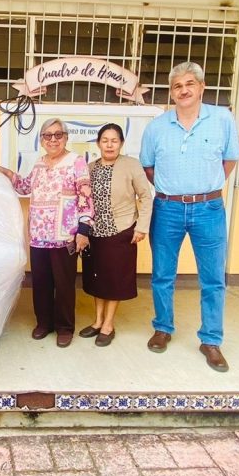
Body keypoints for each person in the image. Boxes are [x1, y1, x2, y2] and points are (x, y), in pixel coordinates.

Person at [139, 61, 239, 371]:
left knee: (212, 279)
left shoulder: (221, 119)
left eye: (189, 84)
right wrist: (175, 190)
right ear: (171, 92)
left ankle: (211, 340)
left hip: (208, 209)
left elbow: (229, 160)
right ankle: (163, 328)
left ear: (201, 87)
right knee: (162, 274)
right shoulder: (157, 127)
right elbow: (148, 167)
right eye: (177, 86)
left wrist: (204, 189)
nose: (183, 90)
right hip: (167, 208)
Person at [0, 118, 93, 347]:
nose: (53, 139)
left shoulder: (76, 162)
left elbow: (86, 198)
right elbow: (25, 186)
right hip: (38, 237)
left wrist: (84, 230)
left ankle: (64, 327)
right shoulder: (39, 163)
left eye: (58, 135)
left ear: (66, 137)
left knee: (64, 285)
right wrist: (4, 172)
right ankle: (44, 323)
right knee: (41, 282)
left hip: (65, 236)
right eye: (48, 135)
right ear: (42, 140)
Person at [79, 123, 152, 346]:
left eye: (114, 140)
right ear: (98, 143)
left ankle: (108, 325)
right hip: (95, 234)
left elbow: (146, 197)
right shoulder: (90, 168)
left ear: (121, 143)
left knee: (114, 280)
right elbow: (83, 201)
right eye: (105, 140)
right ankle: (97, 321)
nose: (109, 145)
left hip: (121, 231)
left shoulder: (131, 165)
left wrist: (142, 227)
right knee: (97, 279)